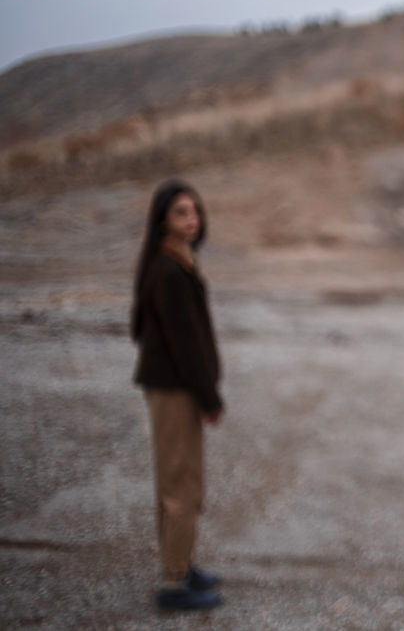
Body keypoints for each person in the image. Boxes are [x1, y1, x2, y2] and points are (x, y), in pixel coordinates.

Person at [130, 179, 224, 611]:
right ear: (163, 220)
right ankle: (173, 584)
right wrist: (208, 397)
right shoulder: (167, 269)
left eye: (195, 212)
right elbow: (184, 343)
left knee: (181, 480)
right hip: (175, 391)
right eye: (181, 213)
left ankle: (181, 564)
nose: (192, 220)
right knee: (180, 485)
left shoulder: (173, 261)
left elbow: (141, 328)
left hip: (175, 386)